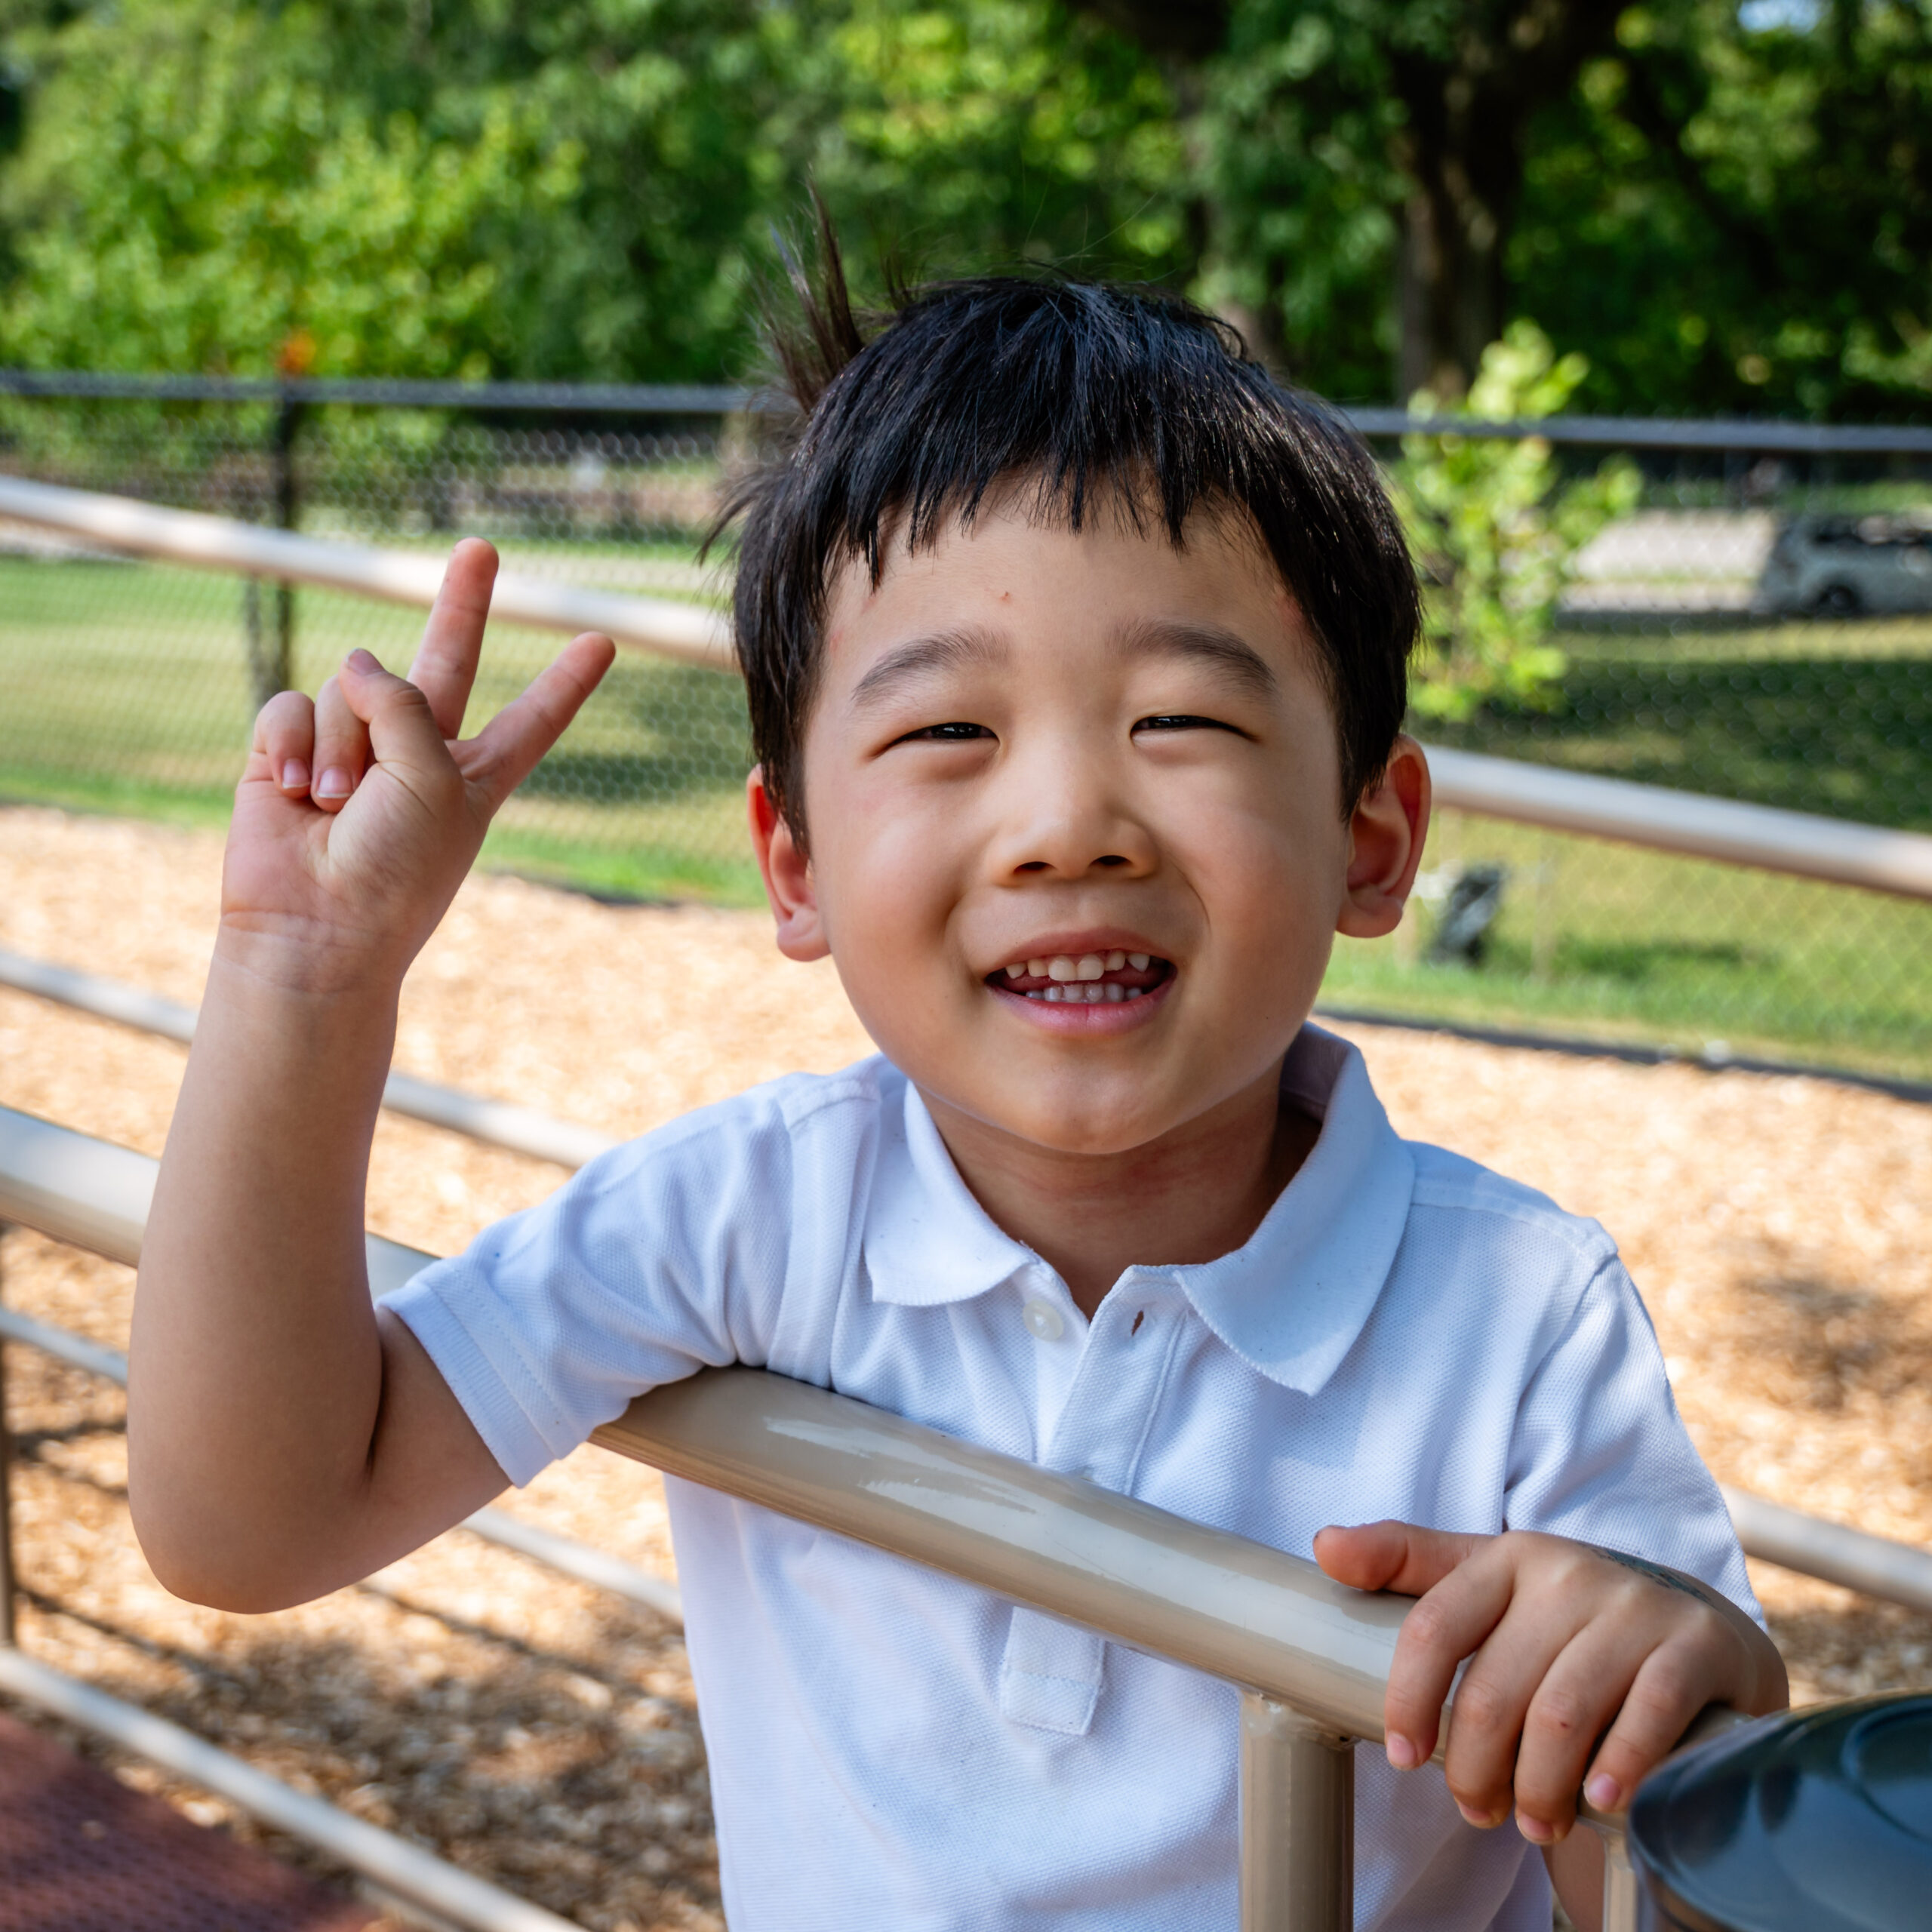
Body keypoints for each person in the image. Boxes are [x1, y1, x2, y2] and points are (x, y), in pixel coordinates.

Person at [130, 249, 1786, 1932]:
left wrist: (1669, 1689)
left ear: (1369, 837)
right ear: (795, 863)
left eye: (1178, 715)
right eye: (943, 735)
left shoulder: (1516, 1318)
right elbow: (245, 1516)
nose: (1068, 817)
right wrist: (304, 978)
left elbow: (1660, 1879)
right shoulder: (750, 1216)